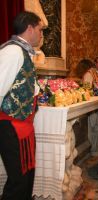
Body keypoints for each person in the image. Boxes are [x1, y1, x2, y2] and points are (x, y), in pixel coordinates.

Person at [0, 11, 43, 199]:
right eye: (40, 30)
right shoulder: (12, 51)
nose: (42, 35)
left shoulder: (22, 51)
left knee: (26, 178)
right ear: (30, 28)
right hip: (10, 126)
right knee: (18, 181)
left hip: (22, 126)